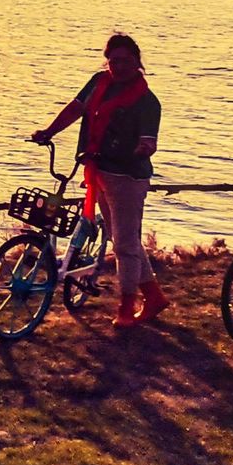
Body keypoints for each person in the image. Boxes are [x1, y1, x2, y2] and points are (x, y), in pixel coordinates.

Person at [32, 33, 165, 329]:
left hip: (127, 176)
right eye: (114, 60)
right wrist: (49, 131)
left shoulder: (146, 100)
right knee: (124, 239)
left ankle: (126, 307)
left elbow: (148, 140)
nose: (119, 66)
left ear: (138, 63)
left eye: (126, 61)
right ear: (107, 61)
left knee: (125, 245)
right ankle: (153, 296)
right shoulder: (98, 82)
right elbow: (76, 108)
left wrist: (143, 148)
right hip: (98, 169)